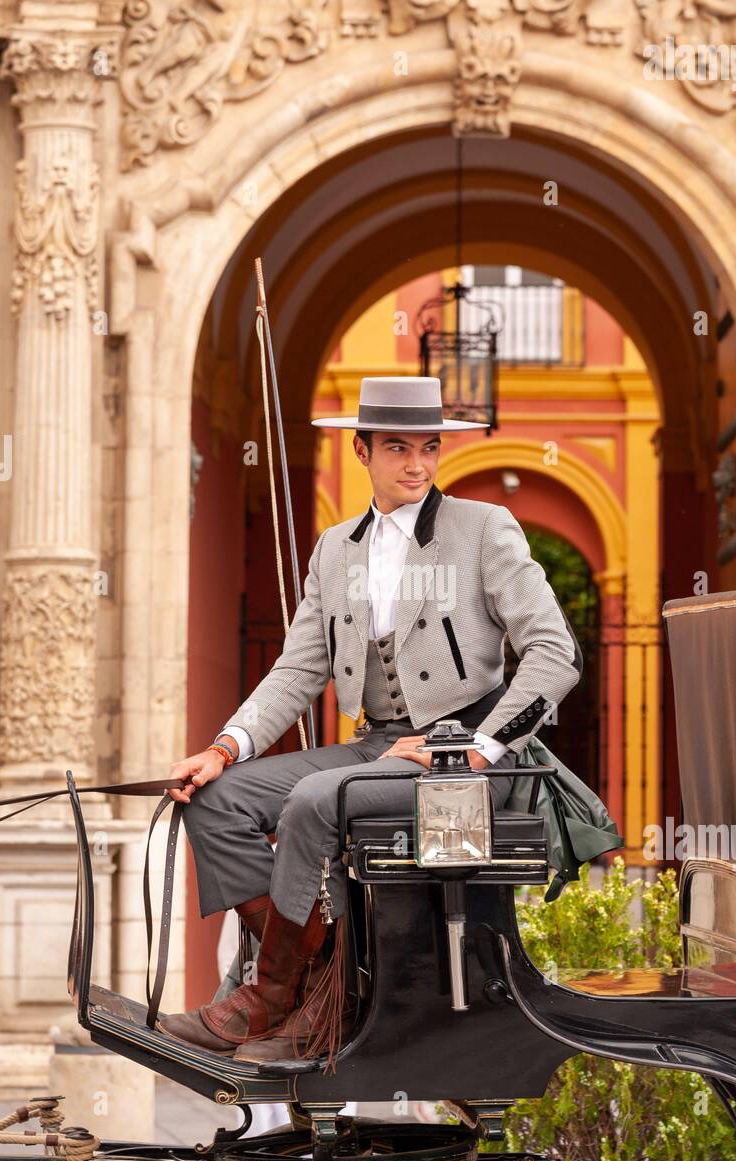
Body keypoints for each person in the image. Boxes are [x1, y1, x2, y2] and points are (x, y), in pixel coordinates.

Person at [158, 376, 582, 1064]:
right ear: (361, 452)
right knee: (215, 800)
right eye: (397, 447)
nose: (416, 463)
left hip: (462, 764)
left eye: (428, 447)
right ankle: (317, 978)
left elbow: (554, 652)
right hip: (377, 747)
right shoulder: (335, 548)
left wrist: (477, 747)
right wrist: (224, 747)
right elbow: (298, 669)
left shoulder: (482, 530)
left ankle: (266, 1001)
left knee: (317, 799)